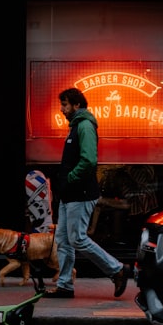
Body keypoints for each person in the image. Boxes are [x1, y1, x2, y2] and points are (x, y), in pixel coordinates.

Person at [44, 87, 129, 299]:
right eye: (61, 105)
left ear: (77, 105)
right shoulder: (75, 127)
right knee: (63, 240)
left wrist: (70, 179)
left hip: (80, 194)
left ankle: (117, 269)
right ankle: (64, 285)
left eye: (65, 105)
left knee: (77, 239)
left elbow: (89, 160)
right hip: (70, 195)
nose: (62, 109)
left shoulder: (84, 125)